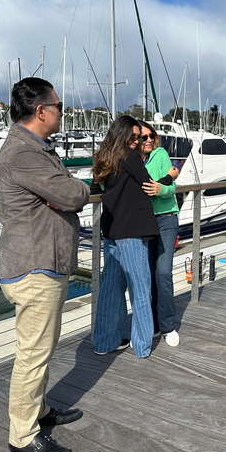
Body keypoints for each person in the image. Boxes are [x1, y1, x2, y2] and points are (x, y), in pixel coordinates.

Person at [0, 77, 90, 452]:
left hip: (42, 262)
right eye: (59, 106)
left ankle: (38, 410)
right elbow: (73, 193)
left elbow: (62, 193)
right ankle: (22, 434)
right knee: (33, 353)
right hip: (35, 267)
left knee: (42, 348)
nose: (61, 112)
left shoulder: (32, 146)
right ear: (41, 111)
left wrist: (63, 193)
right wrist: (69, 192)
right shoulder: (23, 152)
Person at [92, 115, 159, 359]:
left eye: (139, 137)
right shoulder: (130, 156)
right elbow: (147, 183)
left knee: (111, 288)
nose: (137, 140)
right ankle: (141, 345)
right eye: (134, 136)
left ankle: (104, 342)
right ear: (122, 136)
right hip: (131, 230)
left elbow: (94, 187)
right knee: (140, 288)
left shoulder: (104, 157)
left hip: (112, 229)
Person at [136, 121, 181, 346]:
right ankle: (150, 324)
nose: (149, 140)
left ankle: (167, 325)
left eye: (151, 135)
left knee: (163, 273)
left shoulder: (161, 154)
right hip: (142, 221)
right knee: (145, 276)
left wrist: (160, 188)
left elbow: (172, 188)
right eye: (143, 137)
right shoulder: (131, 159)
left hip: (166, 219)